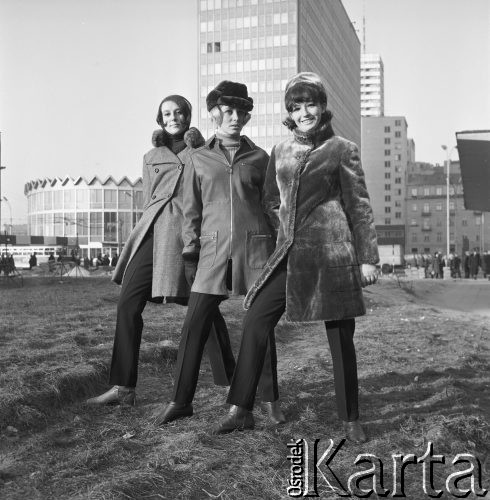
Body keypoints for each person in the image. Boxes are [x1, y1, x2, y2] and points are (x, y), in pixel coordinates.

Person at [213, 73, 379, 444]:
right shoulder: (281, 151)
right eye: (296, 106)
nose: (305, 112)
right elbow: (271, 199)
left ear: (322, 107)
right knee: (256, 319)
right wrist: (284, 224)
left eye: (311, 104)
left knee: (340, 338)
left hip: (333, 253)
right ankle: (240, 409)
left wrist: (368, 258)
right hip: (289, 252)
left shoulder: (342, 149)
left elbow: (360, 206)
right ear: (290, 112)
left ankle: (350, 419)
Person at [87, 95, 236, 406]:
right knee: (128, 303)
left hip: (188, 235)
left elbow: (211, 197)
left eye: (179, 112)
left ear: (188, 116)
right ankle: (123, 387)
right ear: (160, 118)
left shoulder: (205, 152)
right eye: (167, 113)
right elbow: (147, 201)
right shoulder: (151, 155)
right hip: (152, 232)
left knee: (203, 306)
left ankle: (231, 381)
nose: (173, 118)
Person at [155, 81, 284, 425]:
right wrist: (189, 252)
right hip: (211, 254)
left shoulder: (259, 157)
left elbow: (272, 206)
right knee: (194, 325)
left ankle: (270, 399)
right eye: (229, 111)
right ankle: (181, 401)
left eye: (242, 112)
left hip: (256, 252)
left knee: (262, 328)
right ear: (214, 113)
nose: (236, 118)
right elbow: (189, 211)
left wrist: (280, 246)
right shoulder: (199, 157)